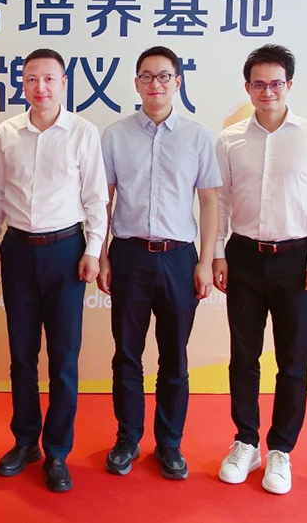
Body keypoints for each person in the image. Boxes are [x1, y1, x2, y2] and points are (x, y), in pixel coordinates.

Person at [212, 44, 307, 495]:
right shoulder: (229, 140)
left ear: (289, 85)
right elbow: (220, 201)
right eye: (259, 84)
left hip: (296, 260)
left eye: (276, 83)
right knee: (243, 357)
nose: (268, 92)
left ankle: (281, 448)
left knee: (293, 360)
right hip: (244, 256)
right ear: (247, 87)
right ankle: (246, 441)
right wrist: (218, 253)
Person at [0, 48, 108, 493]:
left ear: (63, 83)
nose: (41, 87)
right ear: (22, 83)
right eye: (32, 79)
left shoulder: (83, 132)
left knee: (63, 359)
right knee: (22, 356)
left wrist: (93, 250)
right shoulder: (7, 132)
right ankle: (25, 442)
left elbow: (96, 197)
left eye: (50, 79)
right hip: (17, 250)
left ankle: (57, 451)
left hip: (66, 252)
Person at [98, 46, 220, 480]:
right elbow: (103, 200)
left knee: (174, 357)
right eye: (147, 76)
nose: (156, 84)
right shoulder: (115, 135)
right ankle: (127, 438)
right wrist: (101, 255)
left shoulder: (197, 135)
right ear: (136, 83)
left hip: (179, 259)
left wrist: (205, 261)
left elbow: (210, 201)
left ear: (178, 82)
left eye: (164, 76)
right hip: (129, 255)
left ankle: (169, 443)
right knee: (127, 355)